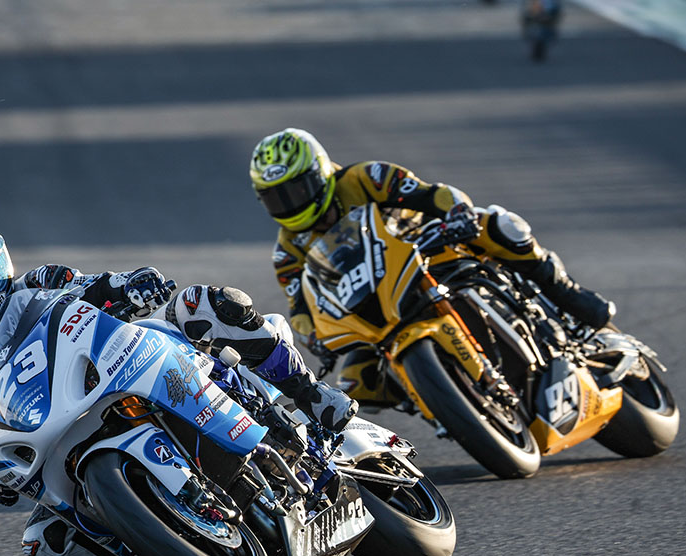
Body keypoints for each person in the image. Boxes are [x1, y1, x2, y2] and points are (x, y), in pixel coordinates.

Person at [0, 234, 356, 556]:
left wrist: (131, 285)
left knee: (201, 305)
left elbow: (92, 286)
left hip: (114, 365)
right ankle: (167, 534)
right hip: (56, 430)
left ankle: (311, 394)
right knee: (47, 544)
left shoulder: (39, 284)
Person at [250, 127, 614, 408]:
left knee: (499, 225)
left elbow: (431, 194)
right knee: (356, 383)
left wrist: (457, 212)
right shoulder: (287, 252)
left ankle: (563, 290)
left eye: (295, 190)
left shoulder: (365, 178)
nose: (289, 204)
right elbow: (300, 308)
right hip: (373, 307)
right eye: (275, 197)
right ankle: (438, 400)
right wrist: (314, 338)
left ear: (319, 173)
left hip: (428, 253)